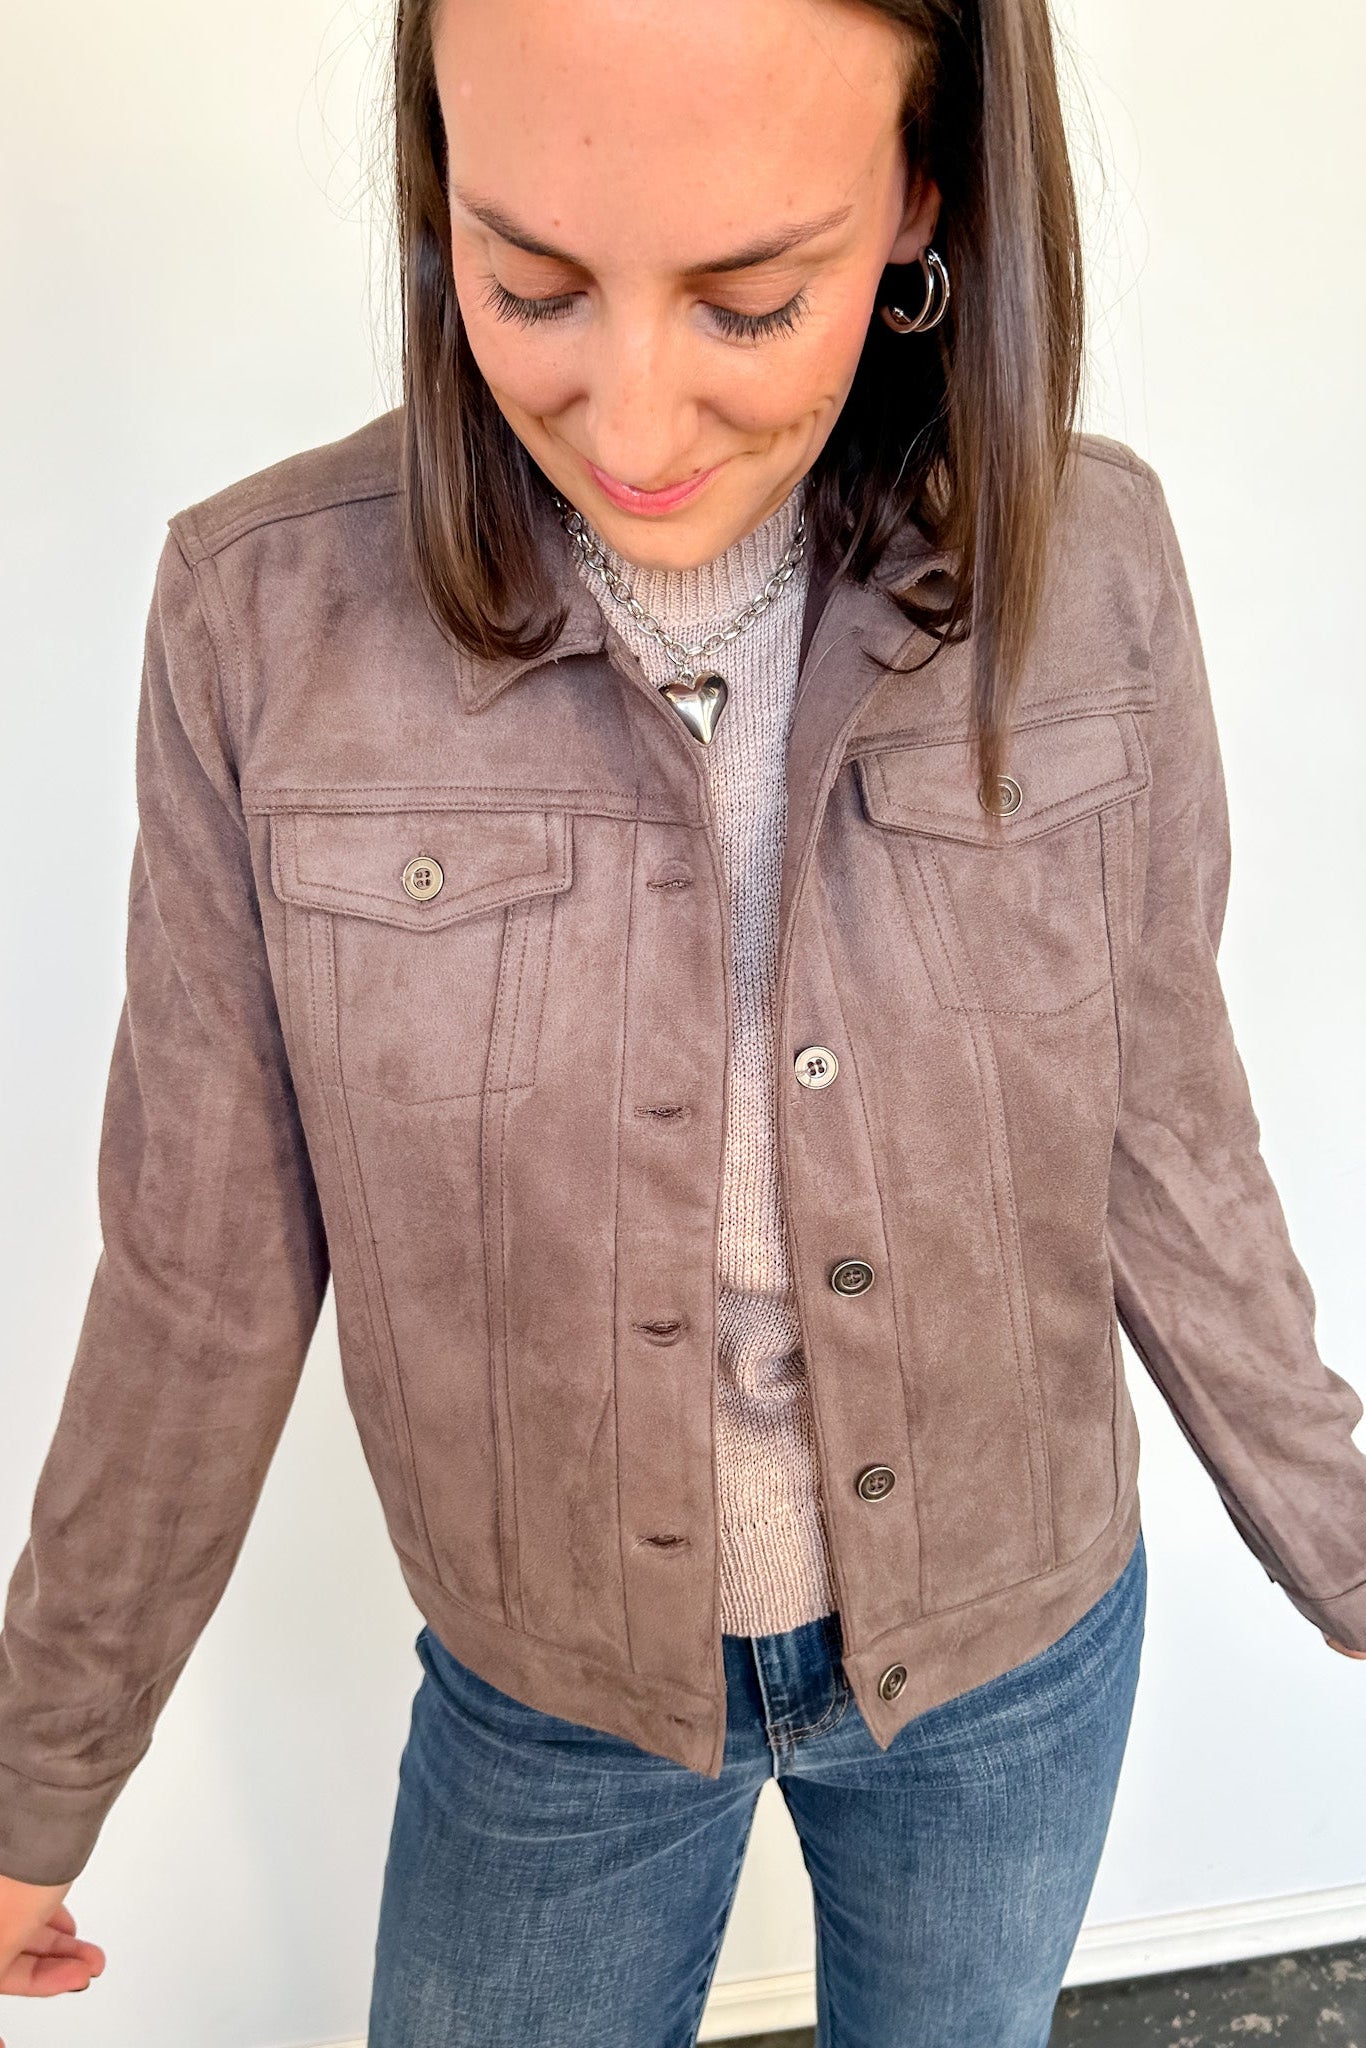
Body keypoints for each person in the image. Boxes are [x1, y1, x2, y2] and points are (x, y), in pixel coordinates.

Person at [3, 0, 1365, 2040]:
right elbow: (197, 1274)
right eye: (528, 279)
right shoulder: (259, 625)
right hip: (551, 1702)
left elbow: (1162, 1131)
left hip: (1012, 1650)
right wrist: (42, 1763)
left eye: (747, 303)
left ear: (922, 194)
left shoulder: (1093, 574)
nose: (630, 417)